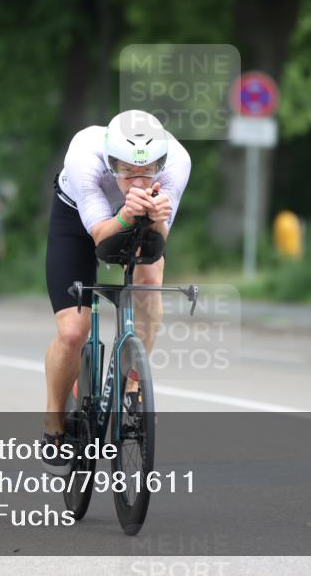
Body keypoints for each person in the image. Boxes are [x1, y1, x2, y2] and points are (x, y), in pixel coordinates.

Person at [41, 110, 191, 475]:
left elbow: (156, 244)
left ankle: (133, 384)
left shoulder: (177, 162)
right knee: (73, 332)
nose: (138, 180)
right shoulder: (84, 158)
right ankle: (53, 421)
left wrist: (157, 219)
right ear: (112, 164)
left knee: (150, 282)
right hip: (78, 220)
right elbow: (100, 240)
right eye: (127, 171)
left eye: (148, 171)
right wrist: (125, 215)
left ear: (160, 163)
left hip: (136, 216)